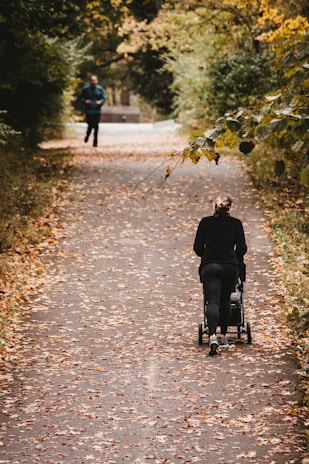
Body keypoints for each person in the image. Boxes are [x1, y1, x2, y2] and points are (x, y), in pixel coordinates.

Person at [193, 194, 247, 356]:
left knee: (212, 301)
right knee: (225, 300)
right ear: (229, 208)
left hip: (210, 266)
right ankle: (223, 336)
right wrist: (234, 257)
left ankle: (212, 336)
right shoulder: (236, 224)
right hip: (229, 267)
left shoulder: (205, 223)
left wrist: (207, 255)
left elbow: (197, 247)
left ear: (214, 207)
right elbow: (242, 248)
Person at [80, 75, 106, 147]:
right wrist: (86, 101)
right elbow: (81, 98)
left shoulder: (100, 89)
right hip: (89, 110)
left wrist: (100, 102)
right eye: (92, 80)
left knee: (96, 126)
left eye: (95, 80)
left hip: (97, 110)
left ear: (97, 81)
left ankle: (95, 142)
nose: (94, 82)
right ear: (90, 81)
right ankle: (87, 135)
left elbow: (103, 98)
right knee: (90, 125)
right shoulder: (85, 89)